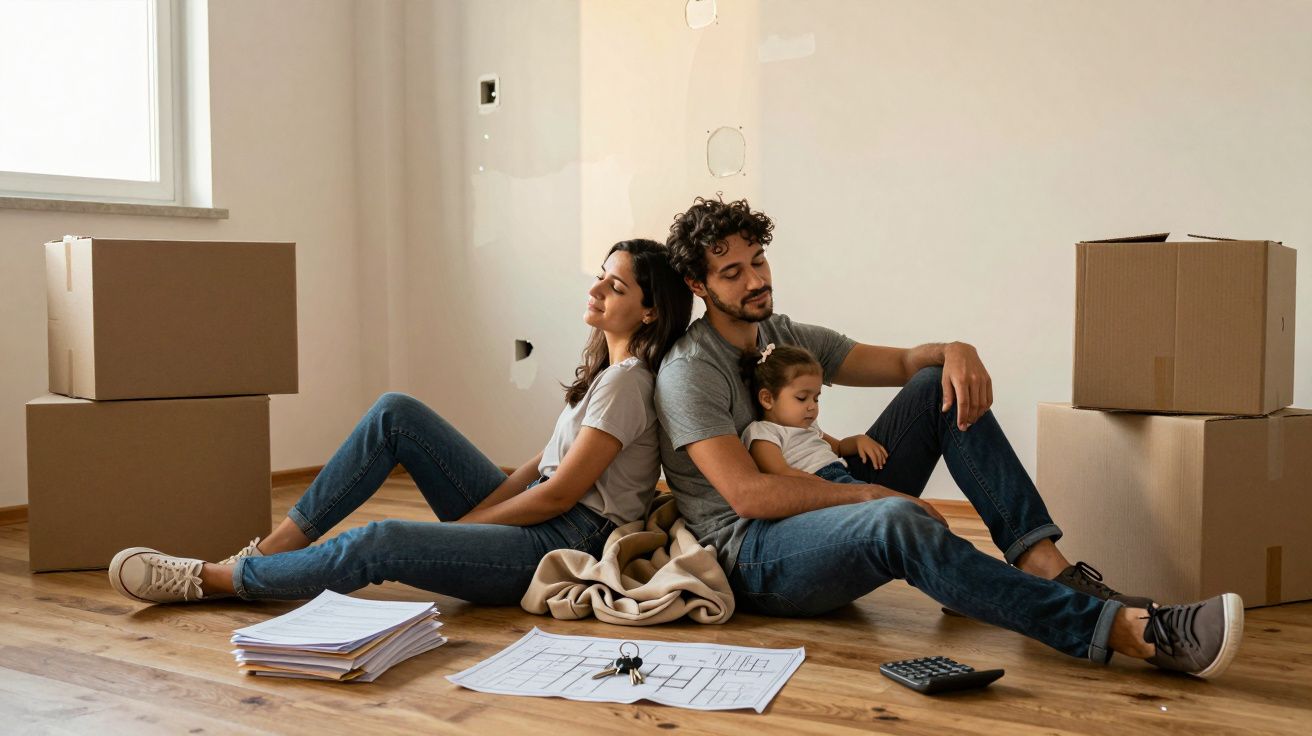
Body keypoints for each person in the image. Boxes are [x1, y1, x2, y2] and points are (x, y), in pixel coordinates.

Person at [655, 195, 1243, 678]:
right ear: (698, 285)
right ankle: (1124, 632)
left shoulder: (778, 334)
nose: (756, 280)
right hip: (759, 555)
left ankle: (1043, 563)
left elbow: (904, 362)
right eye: (733, 273)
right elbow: (749, 497)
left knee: (938, 385)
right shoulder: (690, 371)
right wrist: (873, 495)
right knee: (894, 520)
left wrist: (956, 350)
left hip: (819, 497)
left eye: (758, 261)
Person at [108, 239, 693, 607]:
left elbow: (560, 495)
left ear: (649, 311)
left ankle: (213, 580)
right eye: (600, 274)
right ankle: (262, 554)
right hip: (546, 514)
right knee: (396, 413)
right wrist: (476, 520)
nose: (594, 288)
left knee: (382, 541)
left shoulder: (627, 382)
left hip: (566, 537)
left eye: (614, 286)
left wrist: (473, 524)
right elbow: (541, 468)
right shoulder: (605, 371)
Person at [738, 343, 887, 482]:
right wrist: (821, 485)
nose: (812, 407)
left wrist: (858, 440)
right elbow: (781, 474)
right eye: (802, 398)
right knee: (890, 503)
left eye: (816, 399)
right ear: (767, 399)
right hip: (818, 482)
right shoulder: (764, 432)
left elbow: (839, 447)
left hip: (843, 474)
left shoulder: (809, 427)